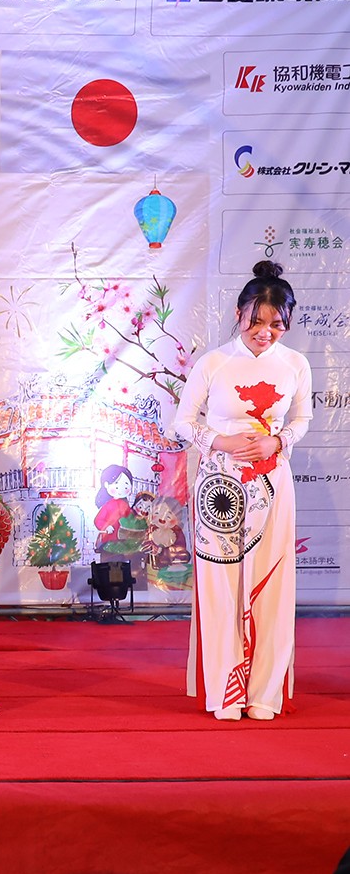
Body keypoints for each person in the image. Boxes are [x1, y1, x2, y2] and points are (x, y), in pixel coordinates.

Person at [173, 260, 312, 722]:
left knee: (273, 584)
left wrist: (278, 441)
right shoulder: (214, 362)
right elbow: (183, 421)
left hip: (273, 484)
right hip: (219, 486)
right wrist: (220, 441)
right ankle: (225, 693)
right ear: (239, 313)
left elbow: (302, 419)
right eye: (256, 321)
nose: (265, 332)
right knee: (221, 588)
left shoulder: (295, 364)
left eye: (277, 324)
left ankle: (264, 694)